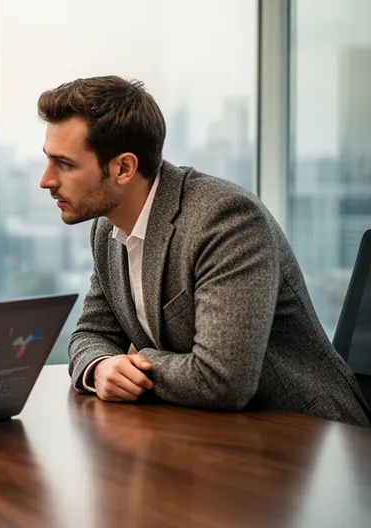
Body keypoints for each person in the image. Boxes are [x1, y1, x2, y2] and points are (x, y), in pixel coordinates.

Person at [39, 75, 370, 427]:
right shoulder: (107, 229)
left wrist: (137, 364)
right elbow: (92, 334)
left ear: (123, 168)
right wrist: (101, 366)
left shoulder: (225, 220)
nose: (46, 180)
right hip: (206, 430)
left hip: (308, 434)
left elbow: (223, 380)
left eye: (65, 164)